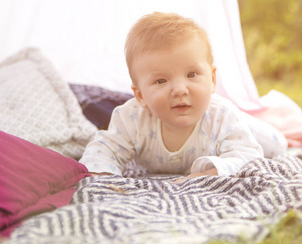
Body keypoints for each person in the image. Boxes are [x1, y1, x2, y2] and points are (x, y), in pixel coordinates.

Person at [79, 12, 287, 183]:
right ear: (141, 95)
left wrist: (206, 175)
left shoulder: (222, 116)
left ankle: (275, 118)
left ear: (212, 79)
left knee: (278, 145)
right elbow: (105, 149)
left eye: (191, 75)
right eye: (161, 81)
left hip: (242, 129)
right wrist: (102, 176)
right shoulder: (132, 118)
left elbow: (248, 156)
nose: (179, 90)